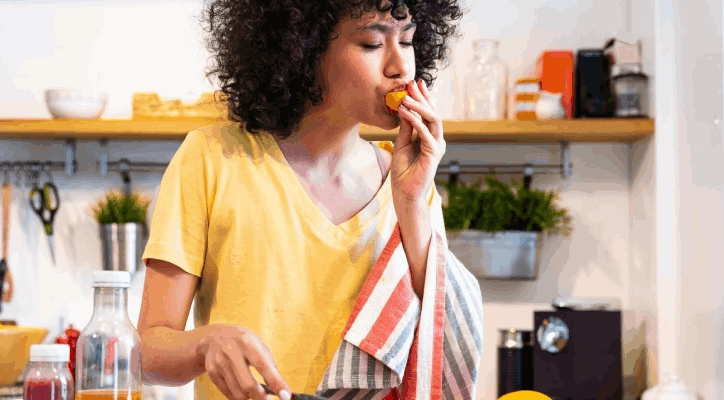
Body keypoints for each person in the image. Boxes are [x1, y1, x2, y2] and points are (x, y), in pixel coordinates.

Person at [137, 0, 481, 399]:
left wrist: (411, 205)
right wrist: (205, 344)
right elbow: (145, 353)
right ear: (303, 49)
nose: (400, 67)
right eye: (371, 43)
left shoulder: (409, 181)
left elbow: (440, 346)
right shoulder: (212, 157)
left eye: (407, 41)